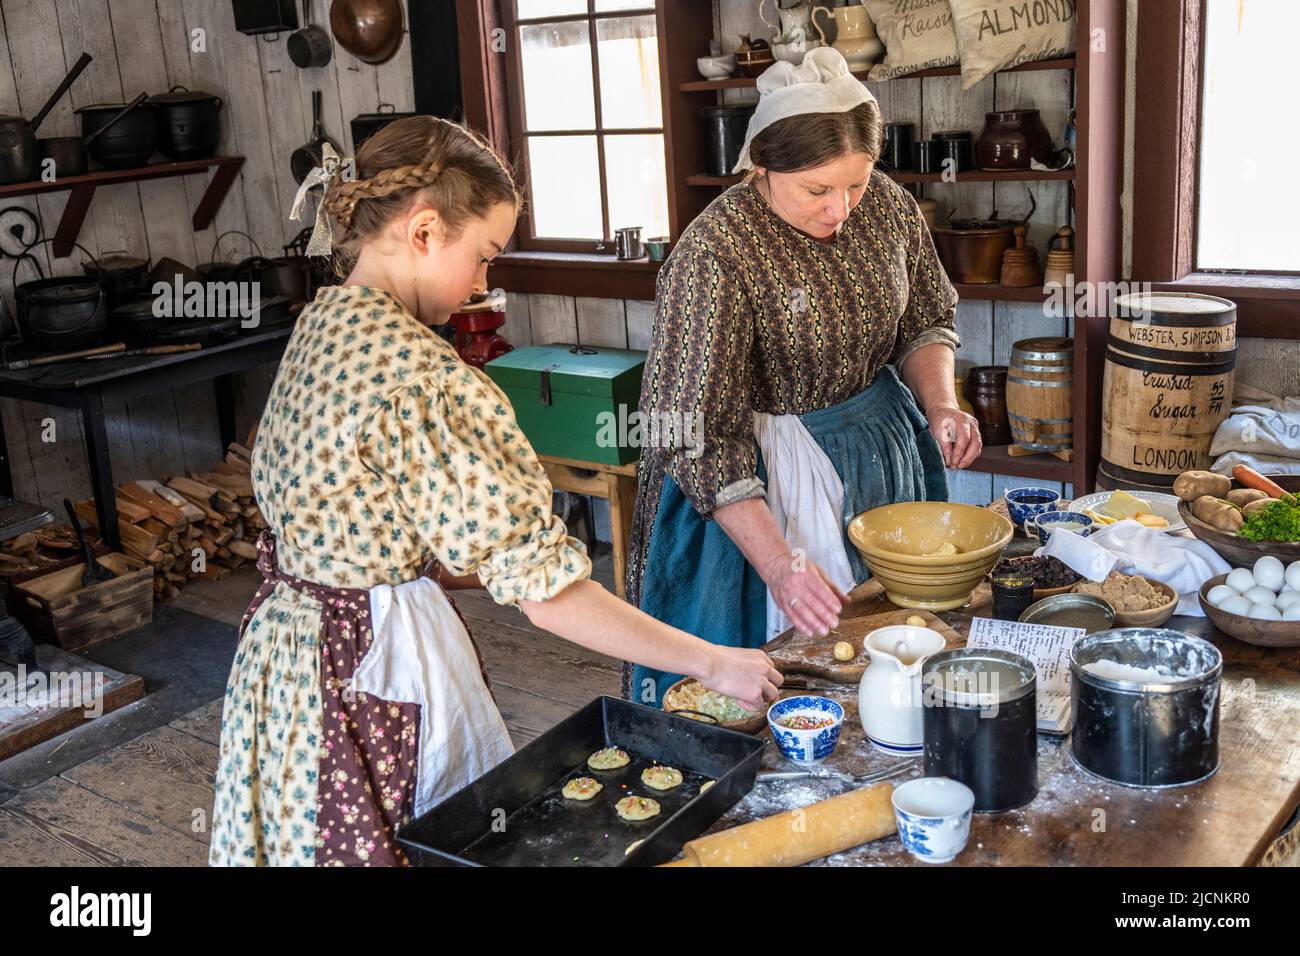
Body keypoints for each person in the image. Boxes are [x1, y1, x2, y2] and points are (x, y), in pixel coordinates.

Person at [208, 116, 782, 866]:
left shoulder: (323, 327)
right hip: (373, 666)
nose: (483, 282)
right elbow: (546, 594)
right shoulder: (425, 379)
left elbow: (357, 509)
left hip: (284, 659)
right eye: (482, 255)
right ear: (422, 233)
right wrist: (713, 661)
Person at [625, 49, 981, 707]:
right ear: (761, 167)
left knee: (896, 652)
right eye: (817, 190)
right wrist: (781, 567)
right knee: (795, 673)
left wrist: (941, 402)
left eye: (857, 183)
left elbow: (927, 316)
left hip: (881, 454)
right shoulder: (714, 257)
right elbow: (696, 434)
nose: (841, 208)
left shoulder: (890, 209)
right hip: (761, 491)